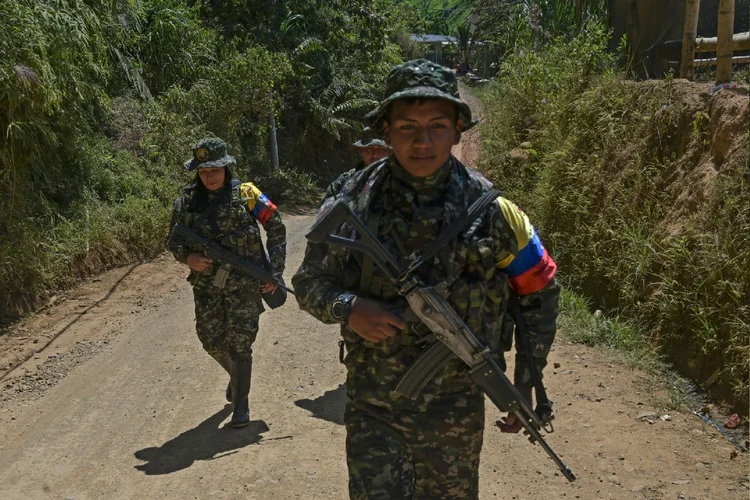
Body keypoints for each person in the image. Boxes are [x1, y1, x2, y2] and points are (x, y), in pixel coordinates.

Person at [292, 59, 559, 499]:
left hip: (455, 408)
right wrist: (349, 307)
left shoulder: (494, 211)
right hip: (374, 407)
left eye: (437, 125)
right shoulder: (352, 202)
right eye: (407, 127)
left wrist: (527, 383)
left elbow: (539, 293)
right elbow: (308, 281)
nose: (423, 140)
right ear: (386, 130)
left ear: (458, 130)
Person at [168, 137, 286, 428]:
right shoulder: (185, 202)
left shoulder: (247, 194)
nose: (209, 176)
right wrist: (188, 258)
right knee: (210, 340)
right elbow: (173, 241)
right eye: (203, 171)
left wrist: (276, 271)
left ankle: (241, 405)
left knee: (240, 343)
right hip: (207, 284)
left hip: (245, 284)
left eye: (214, 170)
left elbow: (276, 225)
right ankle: (236, 377)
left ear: (226, 168)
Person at [322, 128, 391, 201]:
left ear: (390, 152)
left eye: (381, 150)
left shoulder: (398, 180)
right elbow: (325, 209)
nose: (375, 155)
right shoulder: (344, 181)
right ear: (361, 151)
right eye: (369, 149)